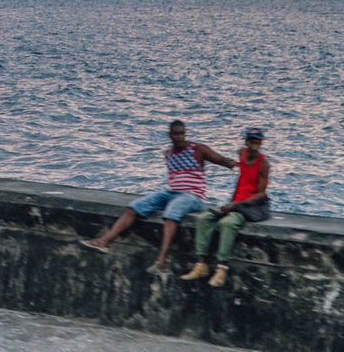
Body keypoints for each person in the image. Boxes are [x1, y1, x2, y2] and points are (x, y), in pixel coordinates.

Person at [80, 120, 236, 273]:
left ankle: (162, 260)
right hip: (171, 193)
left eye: (182, 133)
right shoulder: (168, 153)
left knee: (171, 213)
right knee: (135, 206)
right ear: (170, 135)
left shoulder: (198, 149)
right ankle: (104, 241)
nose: (180, 137)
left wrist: (235, 164)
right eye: (176, 134)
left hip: (193, 196)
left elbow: (221, 160)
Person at [181, 128, 272, 288]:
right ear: (246, 142)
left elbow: (261, 194)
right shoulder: (242, 154)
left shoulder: (263, 164)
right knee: (204, 219)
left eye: (257, 143)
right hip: (235, 202)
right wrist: (231, 200)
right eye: (251, 142)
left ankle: (222, 268)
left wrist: (237, 205)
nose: (254, 145)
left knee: (227, 224)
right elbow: (242, 178)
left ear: (260, 144)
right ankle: (201, 264)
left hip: (248, 206)